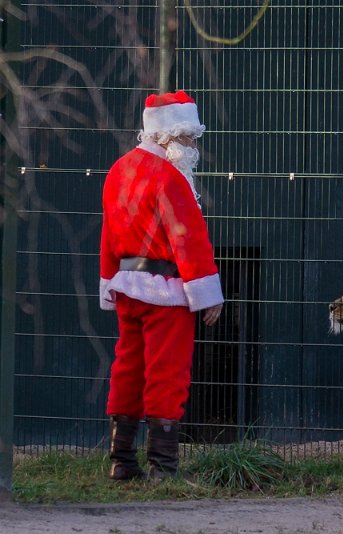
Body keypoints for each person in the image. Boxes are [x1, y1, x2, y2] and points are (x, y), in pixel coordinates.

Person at [99, 90, 224, 480]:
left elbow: (108, 234)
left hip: (126, 285)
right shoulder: (170, 178)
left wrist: (108, 282)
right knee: (166, 374)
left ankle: (122, 462)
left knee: (128, 370)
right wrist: (206, 294)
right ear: (167, 136)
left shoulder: (118, 170)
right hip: (166, 292)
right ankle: (162, 467)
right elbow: (188, 238)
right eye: (187, 137)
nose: (192, 146)